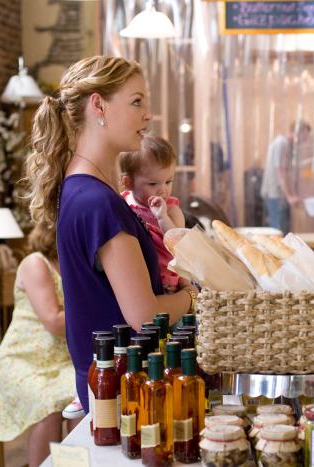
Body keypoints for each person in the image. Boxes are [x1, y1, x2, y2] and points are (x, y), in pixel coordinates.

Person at [25, 56, 197, 414]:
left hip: (115, 385)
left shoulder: (84, 190)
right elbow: (146, 316)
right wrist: (193, 297)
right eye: (137, 102)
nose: (147, 115)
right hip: (123, 394)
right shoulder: (97, 202)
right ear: (98, 105)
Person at [0, 222, 77, 467]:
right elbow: (54, 322)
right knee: (49, 407)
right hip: (22, 361)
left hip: (63, 361)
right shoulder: (35, 263)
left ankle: (75, 463)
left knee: (83, 400)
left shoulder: (75, 263)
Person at [120, 135, 186, 293]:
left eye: (168, 181)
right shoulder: (122, 202)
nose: (163, 190)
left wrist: (162, 217)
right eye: (153, 183)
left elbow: (178, 244)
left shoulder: (171, 210)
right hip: (134, 277)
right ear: (128, 182)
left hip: (165, 280)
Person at [260, 120, 311, 234]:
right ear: (299, 132)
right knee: (278, 232)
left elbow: (287, 172)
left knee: (283, 230)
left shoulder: (286, 145)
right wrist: (289, 196)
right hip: (276, 194)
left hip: (280, 194)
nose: (305, 140)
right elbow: (281, 171)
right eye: (305, 136)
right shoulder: (281, 143)